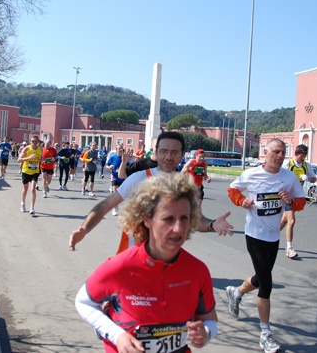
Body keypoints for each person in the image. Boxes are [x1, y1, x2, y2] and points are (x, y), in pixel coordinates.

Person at [74, 173, 218, 353]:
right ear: (147, 219)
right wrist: (115, 334)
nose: (179, 228)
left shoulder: (198, 270)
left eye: (184, 218)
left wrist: (205, 333)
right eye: (168, 219)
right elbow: (83, 302)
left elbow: (210, 320)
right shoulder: (122, 266)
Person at [69, 131, 234, 253]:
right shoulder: (140, 178)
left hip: (167, 258)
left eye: (174, 152)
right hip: (134, 255)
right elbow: (106, 205)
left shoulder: (185, 186)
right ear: (156, 153)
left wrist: (212, 224)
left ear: (182, 155)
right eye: (164, 151)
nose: (168, 156)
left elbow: (194, 219)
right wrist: (84, 229)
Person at [225, 139, 305, 353]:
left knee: (261, 278)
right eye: (276, 151)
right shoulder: (252, 174)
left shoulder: (288, 177)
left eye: (283, 152)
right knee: (267, 284)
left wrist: (289, 200)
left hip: (273, 236)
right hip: (254, 236)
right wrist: (242, 200)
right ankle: (265, 334)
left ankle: (237, 293)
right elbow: (233, 189)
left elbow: (301, 201)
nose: (280, 155)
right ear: (265, 153)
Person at [280, 144, 316, 258]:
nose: (304, 158)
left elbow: (314, 178)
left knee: (285, 219)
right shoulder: (288, 164)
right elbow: (278, 176)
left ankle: (270, 237)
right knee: (292, 221)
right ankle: (289, 248)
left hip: (297, 196)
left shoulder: (306, 166)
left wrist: (308, 178)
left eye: (305, 155)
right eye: (302, 155)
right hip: (286, 195)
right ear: (297, 154)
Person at [17, 135, 42, 215]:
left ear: (38, 142)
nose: (34, 143)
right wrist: (28, 158)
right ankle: (23, 203)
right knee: (25, 188)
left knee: (33, 189)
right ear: (30, 142)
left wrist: (41, 160)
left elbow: (42, 158)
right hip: (26, 171)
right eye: (32, 141)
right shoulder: (26, 149)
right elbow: (19, 160)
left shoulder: (40, 149)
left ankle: (32, 207)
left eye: (36, 141)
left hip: (35, 171)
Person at [106, 144, 126, 215]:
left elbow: (129, 165)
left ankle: (123, 208)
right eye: (119, 148)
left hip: (123, 178)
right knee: (115, 193)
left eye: (121, 148)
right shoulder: (113, 157)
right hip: (115, 177)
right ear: (116, 150)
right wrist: (109, 167)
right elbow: (107, 166)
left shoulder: (124, 157)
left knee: (122, 194)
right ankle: (115, 208)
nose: (120, 150)